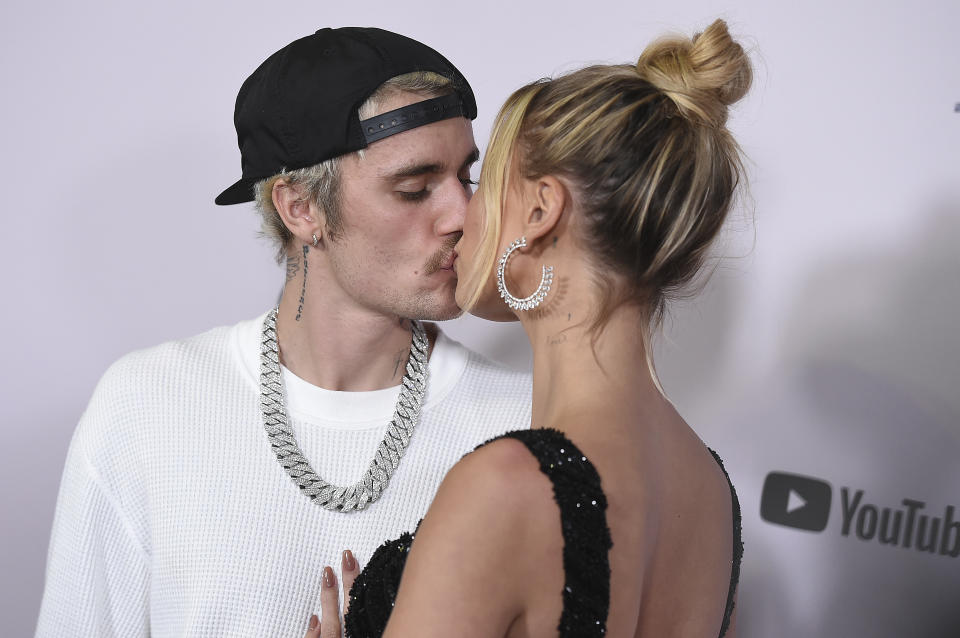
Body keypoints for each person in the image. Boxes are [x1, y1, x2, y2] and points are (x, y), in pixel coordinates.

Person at [35, 28, 532, 637]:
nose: (462, 215)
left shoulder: (523, 425)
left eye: (465, 177)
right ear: (301, 208)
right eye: (414, 188)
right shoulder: (146, 409)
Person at [304, 18, 749, 638]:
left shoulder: (509, 487)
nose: (461, 215)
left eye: (481, 184)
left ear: (540, 212)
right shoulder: (711, 493)